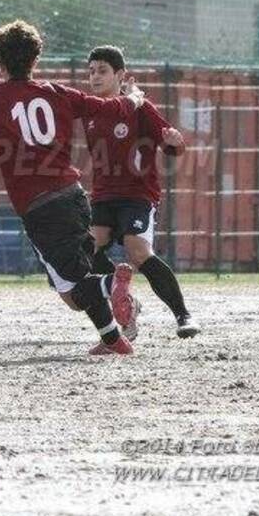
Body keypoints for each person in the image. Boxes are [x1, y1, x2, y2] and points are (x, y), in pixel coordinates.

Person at [0, 20, 142, 355]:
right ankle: (113, 339)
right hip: (74, 196)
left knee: (75, 292)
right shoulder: (58, 93)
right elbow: (106, 107)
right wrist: (131, 99)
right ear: (36, 60)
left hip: (39, 207)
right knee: (76, 280)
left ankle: (112, 285)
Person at [84, 45, 199, 339]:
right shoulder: (90, 111)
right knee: (89, 249)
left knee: (137, 251)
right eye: (92, 71)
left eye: (102, 71)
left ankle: (183, 315)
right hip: (103, 195)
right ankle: (125, 300)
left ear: (120, 75)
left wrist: (175, 140)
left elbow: (172, 146)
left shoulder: (140, 108)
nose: (95, 77)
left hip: (137, 195)